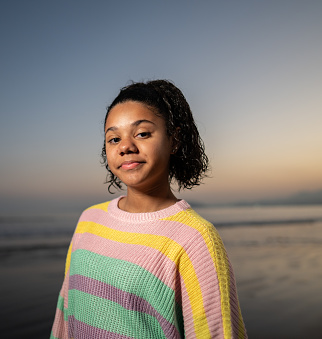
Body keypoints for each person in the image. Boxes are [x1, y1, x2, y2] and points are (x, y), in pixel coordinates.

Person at [51, 80, 247, 339]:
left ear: (174, 140)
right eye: (113, 139)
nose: (125, 147)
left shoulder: (196, 240)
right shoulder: (89, 219)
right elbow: (65, 315)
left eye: (142, 133)